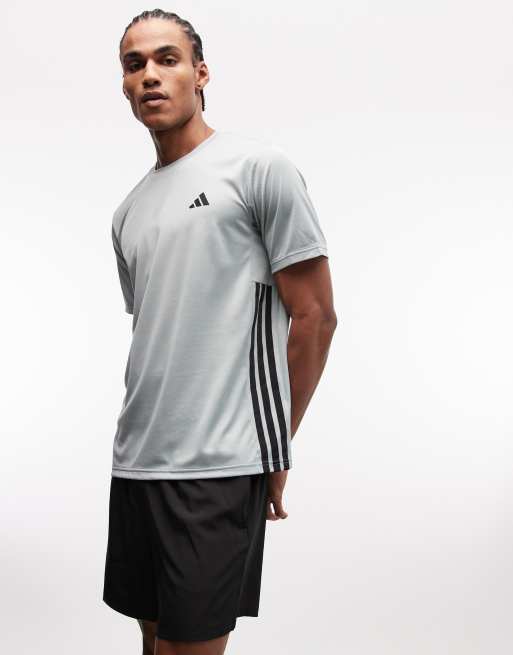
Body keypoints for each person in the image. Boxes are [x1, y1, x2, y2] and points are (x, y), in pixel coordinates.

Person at [102, 9, 337, 655]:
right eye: (134, 64)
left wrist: (272, 446)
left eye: (166, 59)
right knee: (151, 641)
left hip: (216, 467)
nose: (150, 75)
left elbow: (315, 317)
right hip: (136, 460)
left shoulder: (257, 169)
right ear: (124, 85)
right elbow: (161, 330)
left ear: (200, 73)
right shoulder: (128, 211)